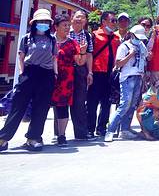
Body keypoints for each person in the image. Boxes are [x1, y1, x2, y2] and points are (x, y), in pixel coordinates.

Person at [0, 9, 56, 152]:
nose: (43, 24)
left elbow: (54, 58)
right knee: (18, 106)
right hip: (29, 73)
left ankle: (33, 138)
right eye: (41, 21)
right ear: (35, 23)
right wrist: (22, 73)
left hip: (46, 74)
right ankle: (3, 138)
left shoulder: (52, 39)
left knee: (41, 108)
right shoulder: (26, 38)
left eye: (46, 21)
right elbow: (21, 57)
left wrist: (55, 74)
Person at [105, 25, 149, 142]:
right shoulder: (124, 46)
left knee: (132, 105)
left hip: (138, 76)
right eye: (137, 37)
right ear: (132, 34)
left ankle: (125, 129)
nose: (138, 40)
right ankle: (110, 130)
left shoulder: (141, 45)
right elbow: (118, 64)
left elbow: (146, 57)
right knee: (125, 104)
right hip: (127, 77)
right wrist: (130, 55)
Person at [87, 11, 120, 138]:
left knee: (107, 102)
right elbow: (89, 54)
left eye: (115, 21)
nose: (114, 23)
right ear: (104, 21)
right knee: (92, 102)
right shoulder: (94, 35)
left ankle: (102, 128)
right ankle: (89, 128)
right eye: (112, 20)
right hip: (96, 72)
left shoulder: (116, 38)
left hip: (110, 73)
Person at [51, 14, 81, 146]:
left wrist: (82, 52)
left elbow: (79, 62)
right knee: (42, 106)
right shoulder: (49, 40)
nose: (68, 28)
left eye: (69, 25)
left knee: (62, 107)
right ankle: (35, 135)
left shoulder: (72, 43)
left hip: (65, 80)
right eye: (64, 25)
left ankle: (61, 135)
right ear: (56, 27)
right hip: (48, 77)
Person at [68, 10, 94, 140]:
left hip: (81, 69)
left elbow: (89, 55)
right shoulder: (65, 32)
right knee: (61, 102)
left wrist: (90, 72)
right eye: (77, 16)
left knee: (79, 101)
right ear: (72, 18)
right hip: (65, 69)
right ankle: (59, 134)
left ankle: (81, 133)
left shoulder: (88, 36)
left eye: (82, 17)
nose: (80, 19)